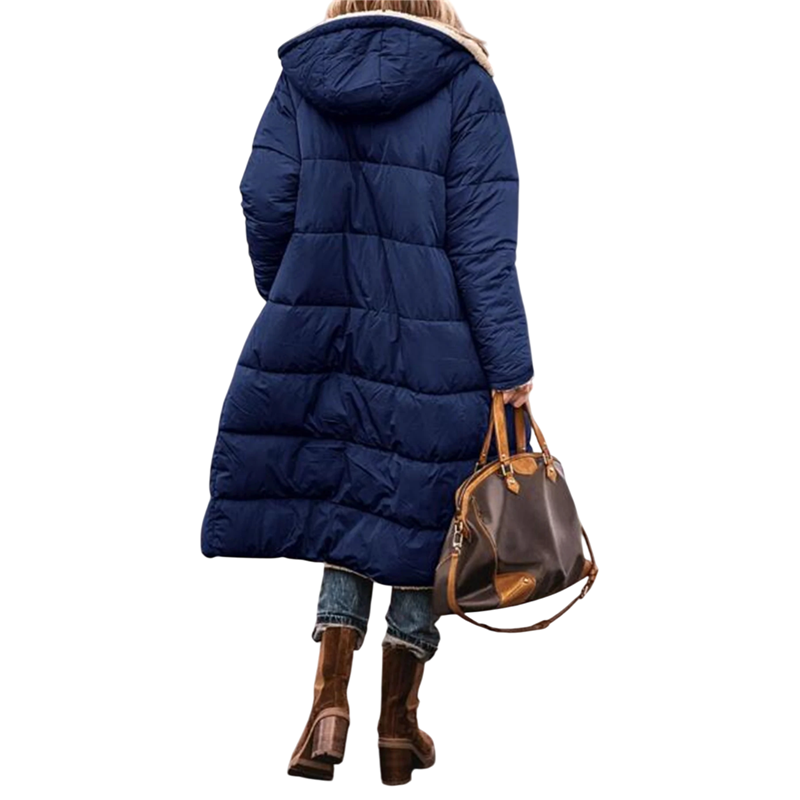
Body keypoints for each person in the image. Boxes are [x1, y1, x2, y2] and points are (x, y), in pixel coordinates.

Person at [201, 0, 533, 785]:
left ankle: (328, 706)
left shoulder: (303, 77)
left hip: (329, 333)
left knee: (348, 501)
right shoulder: (462, 83)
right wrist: (510, 364)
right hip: (438, 341)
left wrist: (296, 291)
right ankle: (396, 722)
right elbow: (482, 246)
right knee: (424, 515)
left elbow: (263, 196)